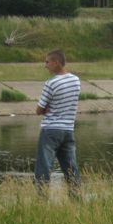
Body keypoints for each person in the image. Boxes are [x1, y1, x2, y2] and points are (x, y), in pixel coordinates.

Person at [35, 49, 81, 196]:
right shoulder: (75, 80)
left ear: (56, 62)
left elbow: (39, 109)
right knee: (70, 168)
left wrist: (48, 107)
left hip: (51, 130)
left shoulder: (51, 83)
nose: (45, 65)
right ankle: (76, 198)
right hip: (68, 129)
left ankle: (41, 200)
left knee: (44, 166)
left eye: (47, 62)